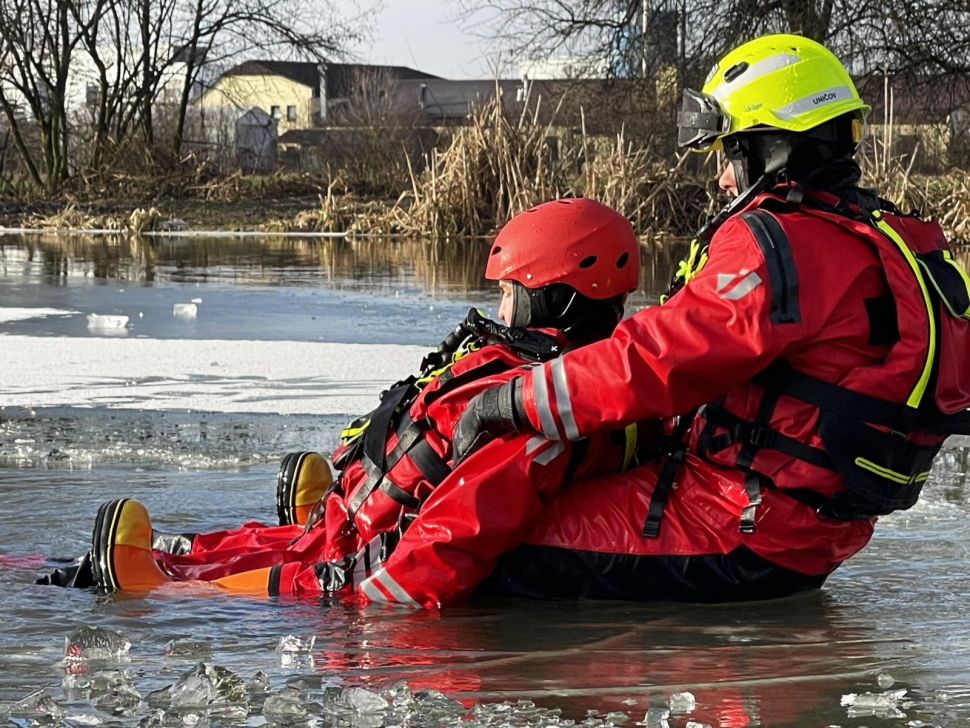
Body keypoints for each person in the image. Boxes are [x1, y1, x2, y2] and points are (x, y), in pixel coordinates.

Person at [450, 33, 970, 603]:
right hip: (810, 529)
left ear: (772, 148)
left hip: (735, 522)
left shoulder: (780, 246)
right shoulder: (888, 237)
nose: (724, 177)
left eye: (731, 153)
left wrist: (512, 401)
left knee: (491, 545)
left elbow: (656, 359)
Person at [40, 198, 650, 605]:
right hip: (353, 525)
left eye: (512, 294)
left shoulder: (539, 410)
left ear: (559, 299)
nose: (500, 312)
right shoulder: (546, 376)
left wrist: (325, 587)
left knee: (282, 562)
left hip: (369, 557)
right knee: (284, 540)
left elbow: (439, 548)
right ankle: (160, 559)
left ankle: (166, 585)